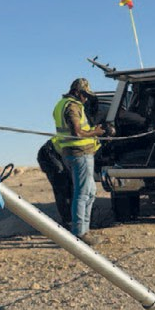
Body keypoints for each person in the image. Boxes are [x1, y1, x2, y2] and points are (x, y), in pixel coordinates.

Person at [52, 78, 106, 240]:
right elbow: (77, 132)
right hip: (79, 153)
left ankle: (84, 229)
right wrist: (95, 132)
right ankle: (80, 233)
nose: (86, 98)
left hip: (75, 153)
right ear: (77, 92)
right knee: (83, 193)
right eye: (85, 95)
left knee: (90, 192)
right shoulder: (72, 106)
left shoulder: (62, 104)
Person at [37, 137, 73, 229]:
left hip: (56, 154)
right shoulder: (88, 139)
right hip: (49, 155)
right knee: (63, 188)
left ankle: (70, 220)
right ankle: (68, 222)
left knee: (70, 186)